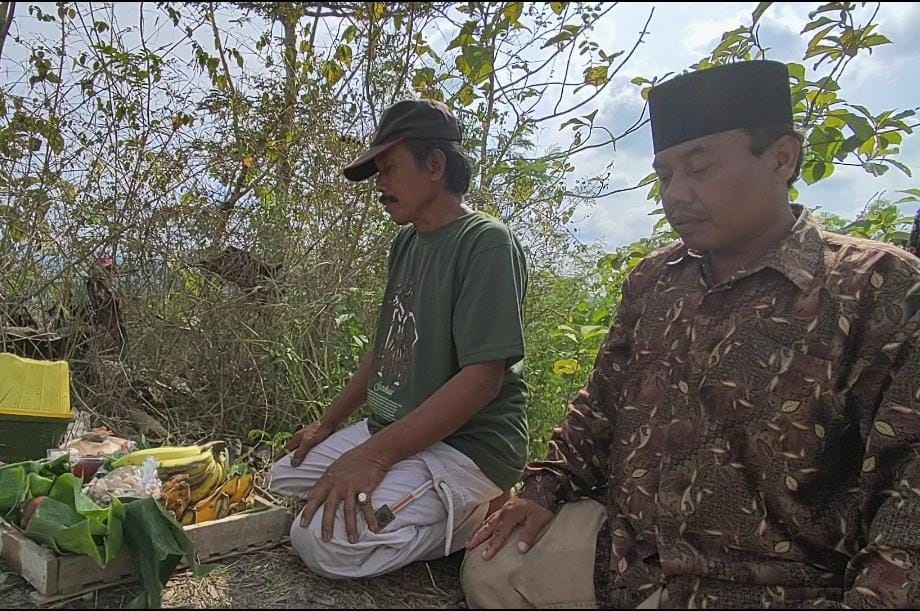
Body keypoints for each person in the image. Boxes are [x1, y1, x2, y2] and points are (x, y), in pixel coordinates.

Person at [461, 60, 920, 608]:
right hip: (632, 559)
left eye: (698, 170)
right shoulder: (657, 279)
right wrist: (544, 487)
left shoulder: (879, 288)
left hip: (780, 585)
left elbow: (908, 495)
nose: (675, 195)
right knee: (491, 564)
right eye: (664, 175)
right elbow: (601, 404)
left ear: (781, 158)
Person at [268, 99, 530, 579]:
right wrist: (328, 425)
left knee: (323, 543)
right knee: (284, 475)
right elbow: (388, 343)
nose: (381, 185)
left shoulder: (485, 242)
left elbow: (483, 380)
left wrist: (375, 457)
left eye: (389, 169)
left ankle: (474, 513)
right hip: (399, 429)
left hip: (467, 444)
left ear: (435, 165)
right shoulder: (408, 242)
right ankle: (415, 495)